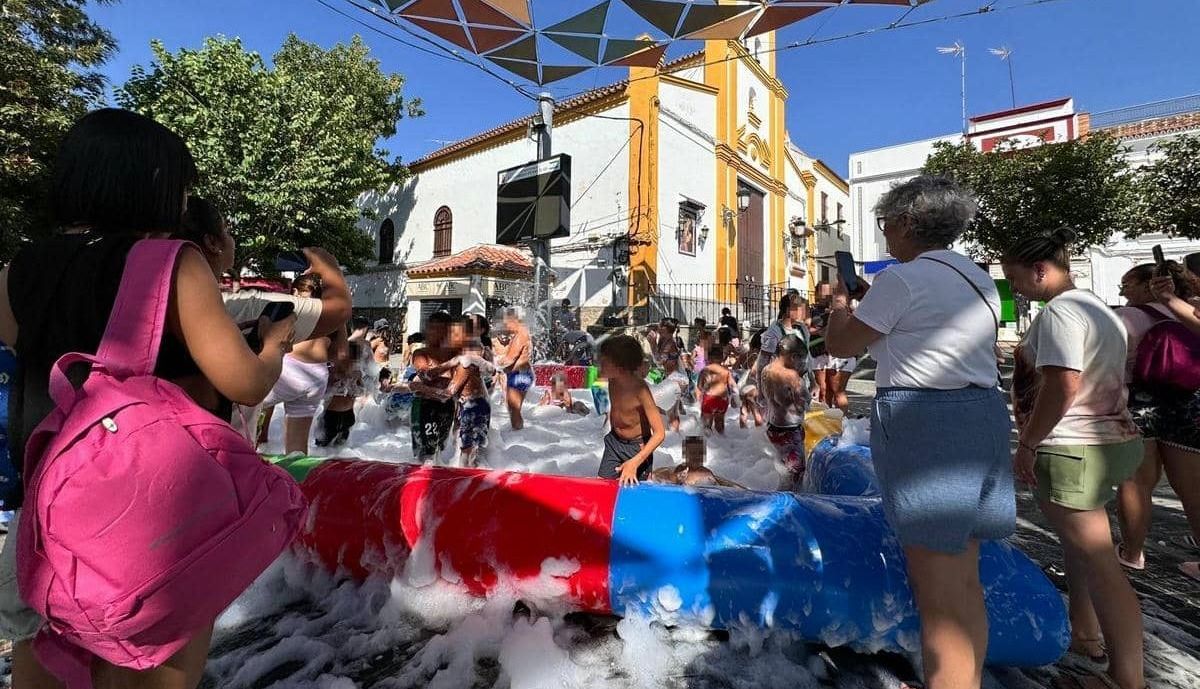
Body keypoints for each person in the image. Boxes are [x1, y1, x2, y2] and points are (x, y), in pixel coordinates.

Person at [0, 108, 295, 688]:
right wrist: (274, 345)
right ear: (151, 185)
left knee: (41, 647)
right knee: (154, 661)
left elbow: (23, 347)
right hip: (146, 511)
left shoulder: (16, 270)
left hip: (46, 504)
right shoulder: (171, 263)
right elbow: (244, 382)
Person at [824, 176, 1013, 689]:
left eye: (886, 222)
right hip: (984, 416)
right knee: (965, 582)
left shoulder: (901, 280)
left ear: (909, 221)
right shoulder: (976, 276)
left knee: (938, 596)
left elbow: (842, 345)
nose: (884, 233)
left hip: (929, 426)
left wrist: (841, 303)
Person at [1003, 228, 1144, 689]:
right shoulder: (1096, 308)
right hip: (1109, 441)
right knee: (1082, 547)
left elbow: (1063, 385)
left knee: (1102, 563)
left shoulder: (1062, 313)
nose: (1015, 288)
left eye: (1016, 278)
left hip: (1073, 446)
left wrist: (1028, 443)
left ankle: (1127, 677)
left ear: (1041, 270)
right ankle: (1084, 631)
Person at [1115, 262, 1200, 581]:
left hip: (1140, 403)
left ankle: (1132, 553)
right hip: (1189, 402)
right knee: (1194, 489)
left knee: (1135, 483)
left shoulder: (1126, 318)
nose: (1123, 290)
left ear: (1148, 284)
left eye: (1127, 283)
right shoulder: (1189, 312)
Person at [258, 274, 333, 456]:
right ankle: (296, 483)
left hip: (289, 370)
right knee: (297, 448)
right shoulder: (331, 314)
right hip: (317, 377)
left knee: (247, 416)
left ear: (295, 291)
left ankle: (256, 463)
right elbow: (342, 355)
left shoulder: (290, 308)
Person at [596, 335, 665, 486]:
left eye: (604, 362)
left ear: (620, 367)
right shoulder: (613, 379)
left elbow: (660, 433)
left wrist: (636, 461)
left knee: (634, 492)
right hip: (614, 442)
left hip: (636, 448)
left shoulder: (640, 390)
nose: (599, 365)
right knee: (603, 486)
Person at [759, 335, 811, 490]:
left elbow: (765, 399)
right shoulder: (792, 376)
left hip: (773, 428)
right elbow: (803, 404)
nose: (801, 363)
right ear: (793, 356)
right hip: (790, 431)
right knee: (795, 474)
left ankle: (778, 495)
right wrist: (801, 378)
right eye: (800, 359)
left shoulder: (766, 370)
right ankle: (790, 503)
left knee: (782, 471)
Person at [408, 311, 458, 462]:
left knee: (440, 448)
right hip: (425, 406)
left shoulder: (453, 353)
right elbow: (425, 377)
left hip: (447, 405)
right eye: (433, 329)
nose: (437, 333)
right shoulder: (421, 353)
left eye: (443, 329)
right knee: (426, 450)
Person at [496, 307, 533, 430]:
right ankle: (518, 437)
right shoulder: (523, 333)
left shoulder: (520, 334)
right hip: (522, 374)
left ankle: (518, 437)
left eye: (506, 323)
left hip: (519, 375)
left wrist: (491, 364)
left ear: (513, 320)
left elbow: (510, 359)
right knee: (513, 409)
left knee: (514, 409)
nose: (506, 326)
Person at [697, 344, 733, 435]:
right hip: (722, 400)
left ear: (709, 358)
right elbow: (733, 387)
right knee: (720, 424)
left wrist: (700, 398)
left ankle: (709, 445)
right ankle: (723, 444)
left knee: (706, 425)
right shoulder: (726, 371)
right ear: (722, 358)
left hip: (709, 399)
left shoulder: (705, 370)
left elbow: (700, 386)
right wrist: (735, 400)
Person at [738, 329, 766, 429]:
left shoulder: (751, 354)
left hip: (744, 386)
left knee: (743, 411)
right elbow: (754, 372)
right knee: (757, 415)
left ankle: (742, 436)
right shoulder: (762, 356)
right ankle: (757, 440)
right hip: (754, 388)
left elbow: (743, 366)